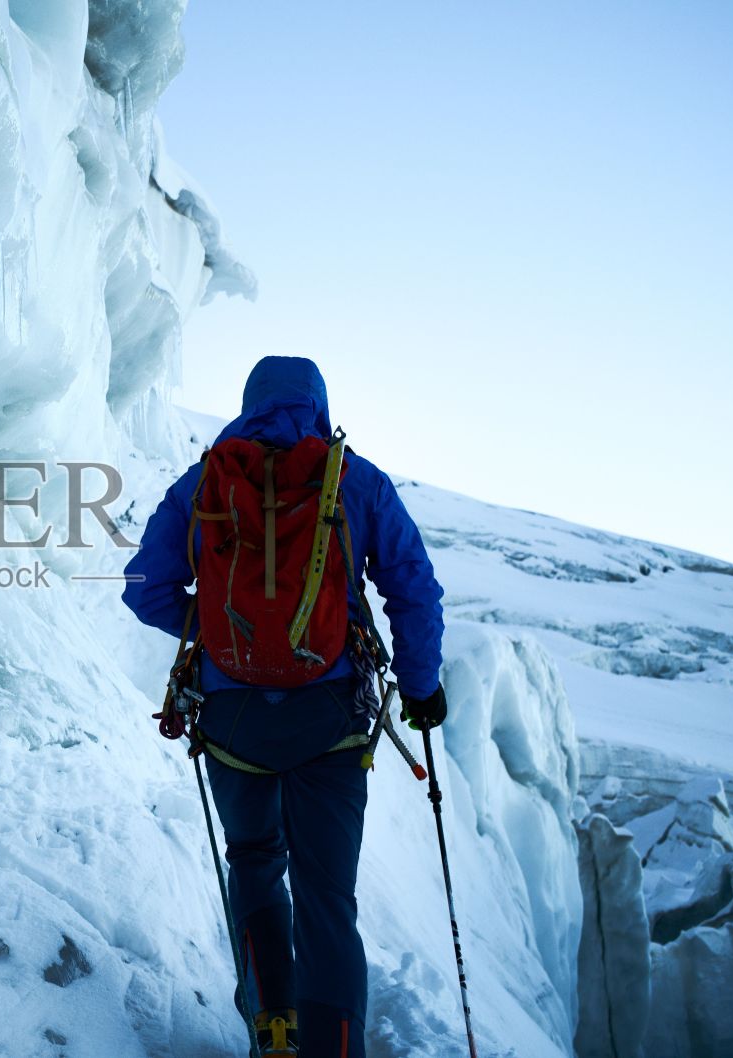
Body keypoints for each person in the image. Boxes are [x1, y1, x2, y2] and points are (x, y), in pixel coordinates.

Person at [122, 356, 446, 1058]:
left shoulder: (206, 482)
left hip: (234, 722)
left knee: (254, 861)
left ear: (250, 403)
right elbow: (414, 588)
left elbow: (143, 586)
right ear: (319, 407)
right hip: (329, 720)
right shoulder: (353, 480)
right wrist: (421, 687)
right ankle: (332, 1046)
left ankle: (273, 1025)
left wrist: (210, 631)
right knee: (328, 898)